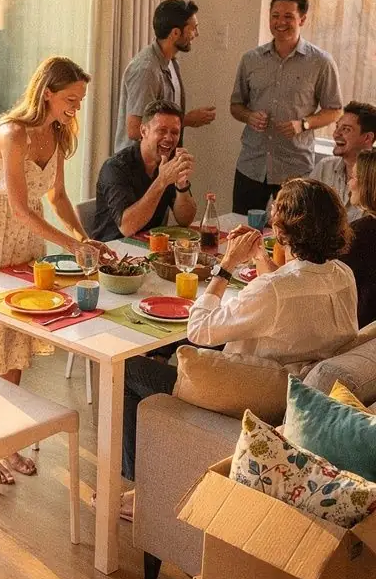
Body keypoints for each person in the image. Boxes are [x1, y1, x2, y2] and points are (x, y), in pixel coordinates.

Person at [119, 178, 357, 519]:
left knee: (129, 369)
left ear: (284, 230)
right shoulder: (340, 275)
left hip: (250, 393)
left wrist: (226, 265)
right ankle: (144, 487)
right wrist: (260, 254)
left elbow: (199, 329)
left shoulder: (274, 290)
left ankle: (143, 490)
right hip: (297, 390)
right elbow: (288, 288)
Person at [0, 55, 112, 483]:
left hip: (25, 239)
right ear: (47, 92)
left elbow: (58, 197)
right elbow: (21, 207)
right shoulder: (13, 134)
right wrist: (68, 245)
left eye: (80, 101)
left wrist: (82, 238)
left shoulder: (58, 136)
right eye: (70, 99)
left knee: (18, 338)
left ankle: (6, 443)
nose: (75, 108)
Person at [230, 0, 342, 215]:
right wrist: (249, 116)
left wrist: (303, 124)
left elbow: (335, 110)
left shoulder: (320, 62)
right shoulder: (251, 59)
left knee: (294, 237)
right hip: (252, 164)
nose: (280, 22)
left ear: (302, 19)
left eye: (288, 16)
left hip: (295, 168)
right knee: (241, 230)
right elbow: (235, 106)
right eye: (275, 16)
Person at [113, 0, 215, 151]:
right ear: (175, 33)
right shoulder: (146, 70)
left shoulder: (171, 62)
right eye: (193, 29)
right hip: (139, 167)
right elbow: (135, 130)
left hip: (160, 161)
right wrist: (186, 120)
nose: (197, 34)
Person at [92, 100, 197, 243]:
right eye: (162, 130)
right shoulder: (115, 167)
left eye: (175, 132)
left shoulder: (170, 162)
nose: (169, 138)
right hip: (113, 250)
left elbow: (185, 220)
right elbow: (127, 228)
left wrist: (181, 185)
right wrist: (162, 181)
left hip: (152, 249)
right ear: (143, 131)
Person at [313, 101, 376, 221]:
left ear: (367, 138)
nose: (336, 134)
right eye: (337, 127)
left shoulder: (373, 178)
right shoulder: (324, 167)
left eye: (346, 129)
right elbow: (303, 208)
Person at [342, 150, 376, 328]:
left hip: (358, 334)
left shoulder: (358, 233)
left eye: (354, 177)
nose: (349, 183)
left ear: (368, 184)